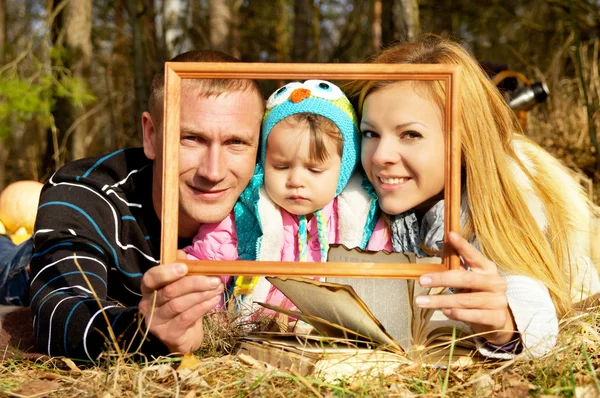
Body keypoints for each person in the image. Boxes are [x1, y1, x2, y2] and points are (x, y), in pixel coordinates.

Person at [343, 36, 600, 358]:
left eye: (411, 134)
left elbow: (521, 282)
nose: (381, 155)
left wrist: (506, 323)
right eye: (371, 133)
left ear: (465, 141)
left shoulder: (501, 196)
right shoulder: (356, 192)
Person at [27, 50, 265, 361]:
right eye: (191, 138)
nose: (213, 171)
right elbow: (58, 311)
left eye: (236, 142)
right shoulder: (86, 191)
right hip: (28, 264)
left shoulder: (281, 203)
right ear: (151, 135)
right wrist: (146, 331)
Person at [183, 80, 385, 319]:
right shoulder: (245, 215)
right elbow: (206, 268)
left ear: (343, 170)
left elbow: (383, 279)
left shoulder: (362, 218)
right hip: (255, 337)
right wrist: (202, 300)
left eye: (314, 170)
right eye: (281, 166)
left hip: (332, 338)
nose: (296, 180)